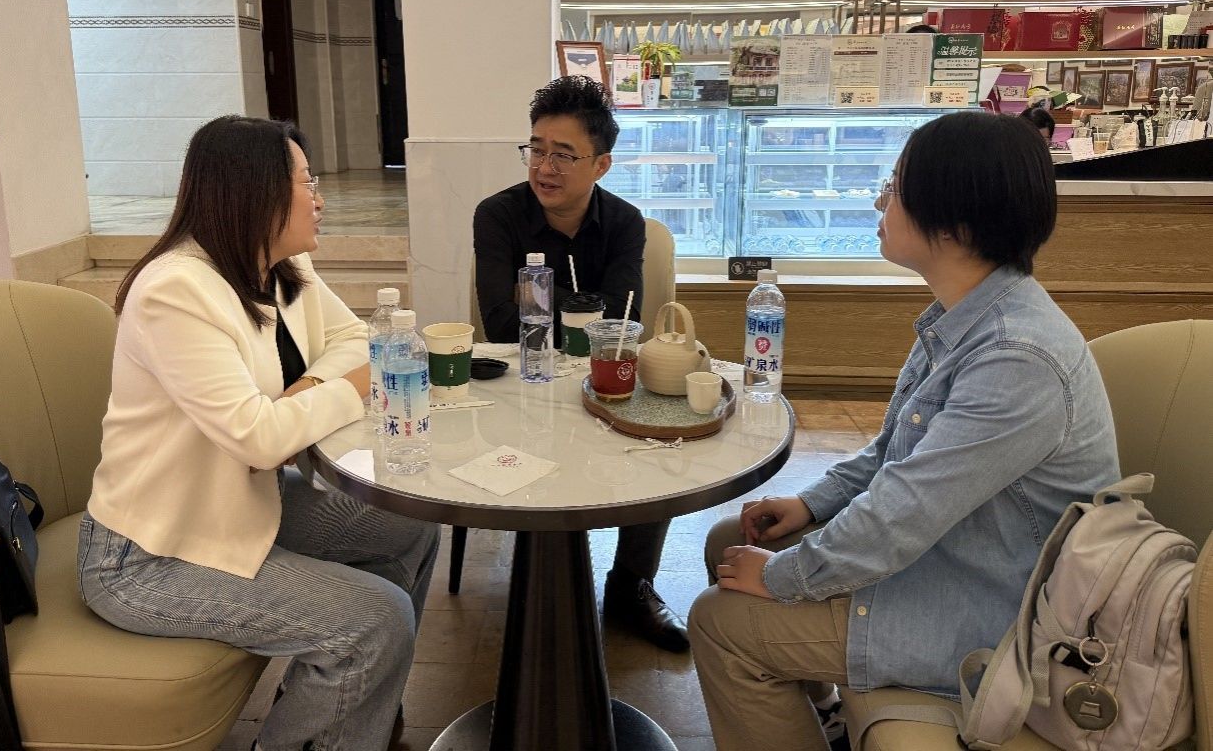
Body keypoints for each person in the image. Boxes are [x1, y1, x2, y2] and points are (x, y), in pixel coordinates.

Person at [688, 111, 1120, 751]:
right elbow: (893, 455)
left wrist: (782, 577)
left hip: (996, 608)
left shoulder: (1017, 358)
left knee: (720, 621)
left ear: (956, 221)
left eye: (893, 187)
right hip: (956, 554)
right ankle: (821, 715)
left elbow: (904, 513)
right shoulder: (967, 316)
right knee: (731, 538)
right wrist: (811, 504)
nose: (878, 202)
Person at [78, 116, 439, 751]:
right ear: (257, 192)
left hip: (240, 508)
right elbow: (259, 438)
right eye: (307, 182)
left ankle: (346, 709)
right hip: (149, 555)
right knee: (375, 619)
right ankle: (333, 713)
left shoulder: (281, 265)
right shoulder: (175, 291)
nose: (320, 199)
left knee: (408, 522)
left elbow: (355, 337)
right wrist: (351, 387)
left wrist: (304, 390)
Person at [472, 75, 688, 652]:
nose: (544, 167)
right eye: (536, 149)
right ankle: (541, 586)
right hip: (520, 383)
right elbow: (500, 324)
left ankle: (631, 586)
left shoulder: (625, 223)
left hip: (604, 378)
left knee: (659, 446)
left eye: (563, 155)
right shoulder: (497, 216)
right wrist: (584, 312)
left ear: (601, 165)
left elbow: (624, 318)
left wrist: (547, 305)